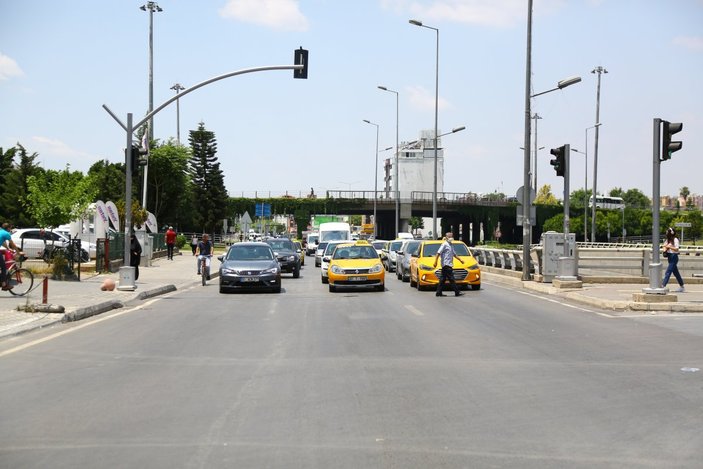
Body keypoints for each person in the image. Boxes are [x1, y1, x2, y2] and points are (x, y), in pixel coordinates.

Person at [432, 232, 465, 297]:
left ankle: (438, 292)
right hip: (446, 264)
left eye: (451, 236)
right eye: (449, 236)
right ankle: (457, 292)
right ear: (446, 237)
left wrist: (460, 260)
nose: (451, 238)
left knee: (442, 279)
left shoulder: (451, 245)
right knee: (451, 279)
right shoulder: (444, 244)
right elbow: (438, 253)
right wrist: (435, 262)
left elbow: (454, 254)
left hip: (448, 264)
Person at [662, 227, 685, 292]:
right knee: (676, 273)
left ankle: (663, 285)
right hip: (669, 257)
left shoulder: (675, 240)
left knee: (668, 272)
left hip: (674, 257)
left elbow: (677, 249)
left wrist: (670, 247)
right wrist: (665, 250)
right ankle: (682, 286)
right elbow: (664, 246)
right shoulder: (667, 240)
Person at [0, 223, 21, 290]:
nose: (10, 229)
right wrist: (18, 252)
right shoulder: (6, 234)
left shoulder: (1, 232)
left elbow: (2, 242)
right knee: (3, 267)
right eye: (10, 228)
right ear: (8, 228)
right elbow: (13, 244)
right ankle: (4, 285)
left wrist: (8, 249)